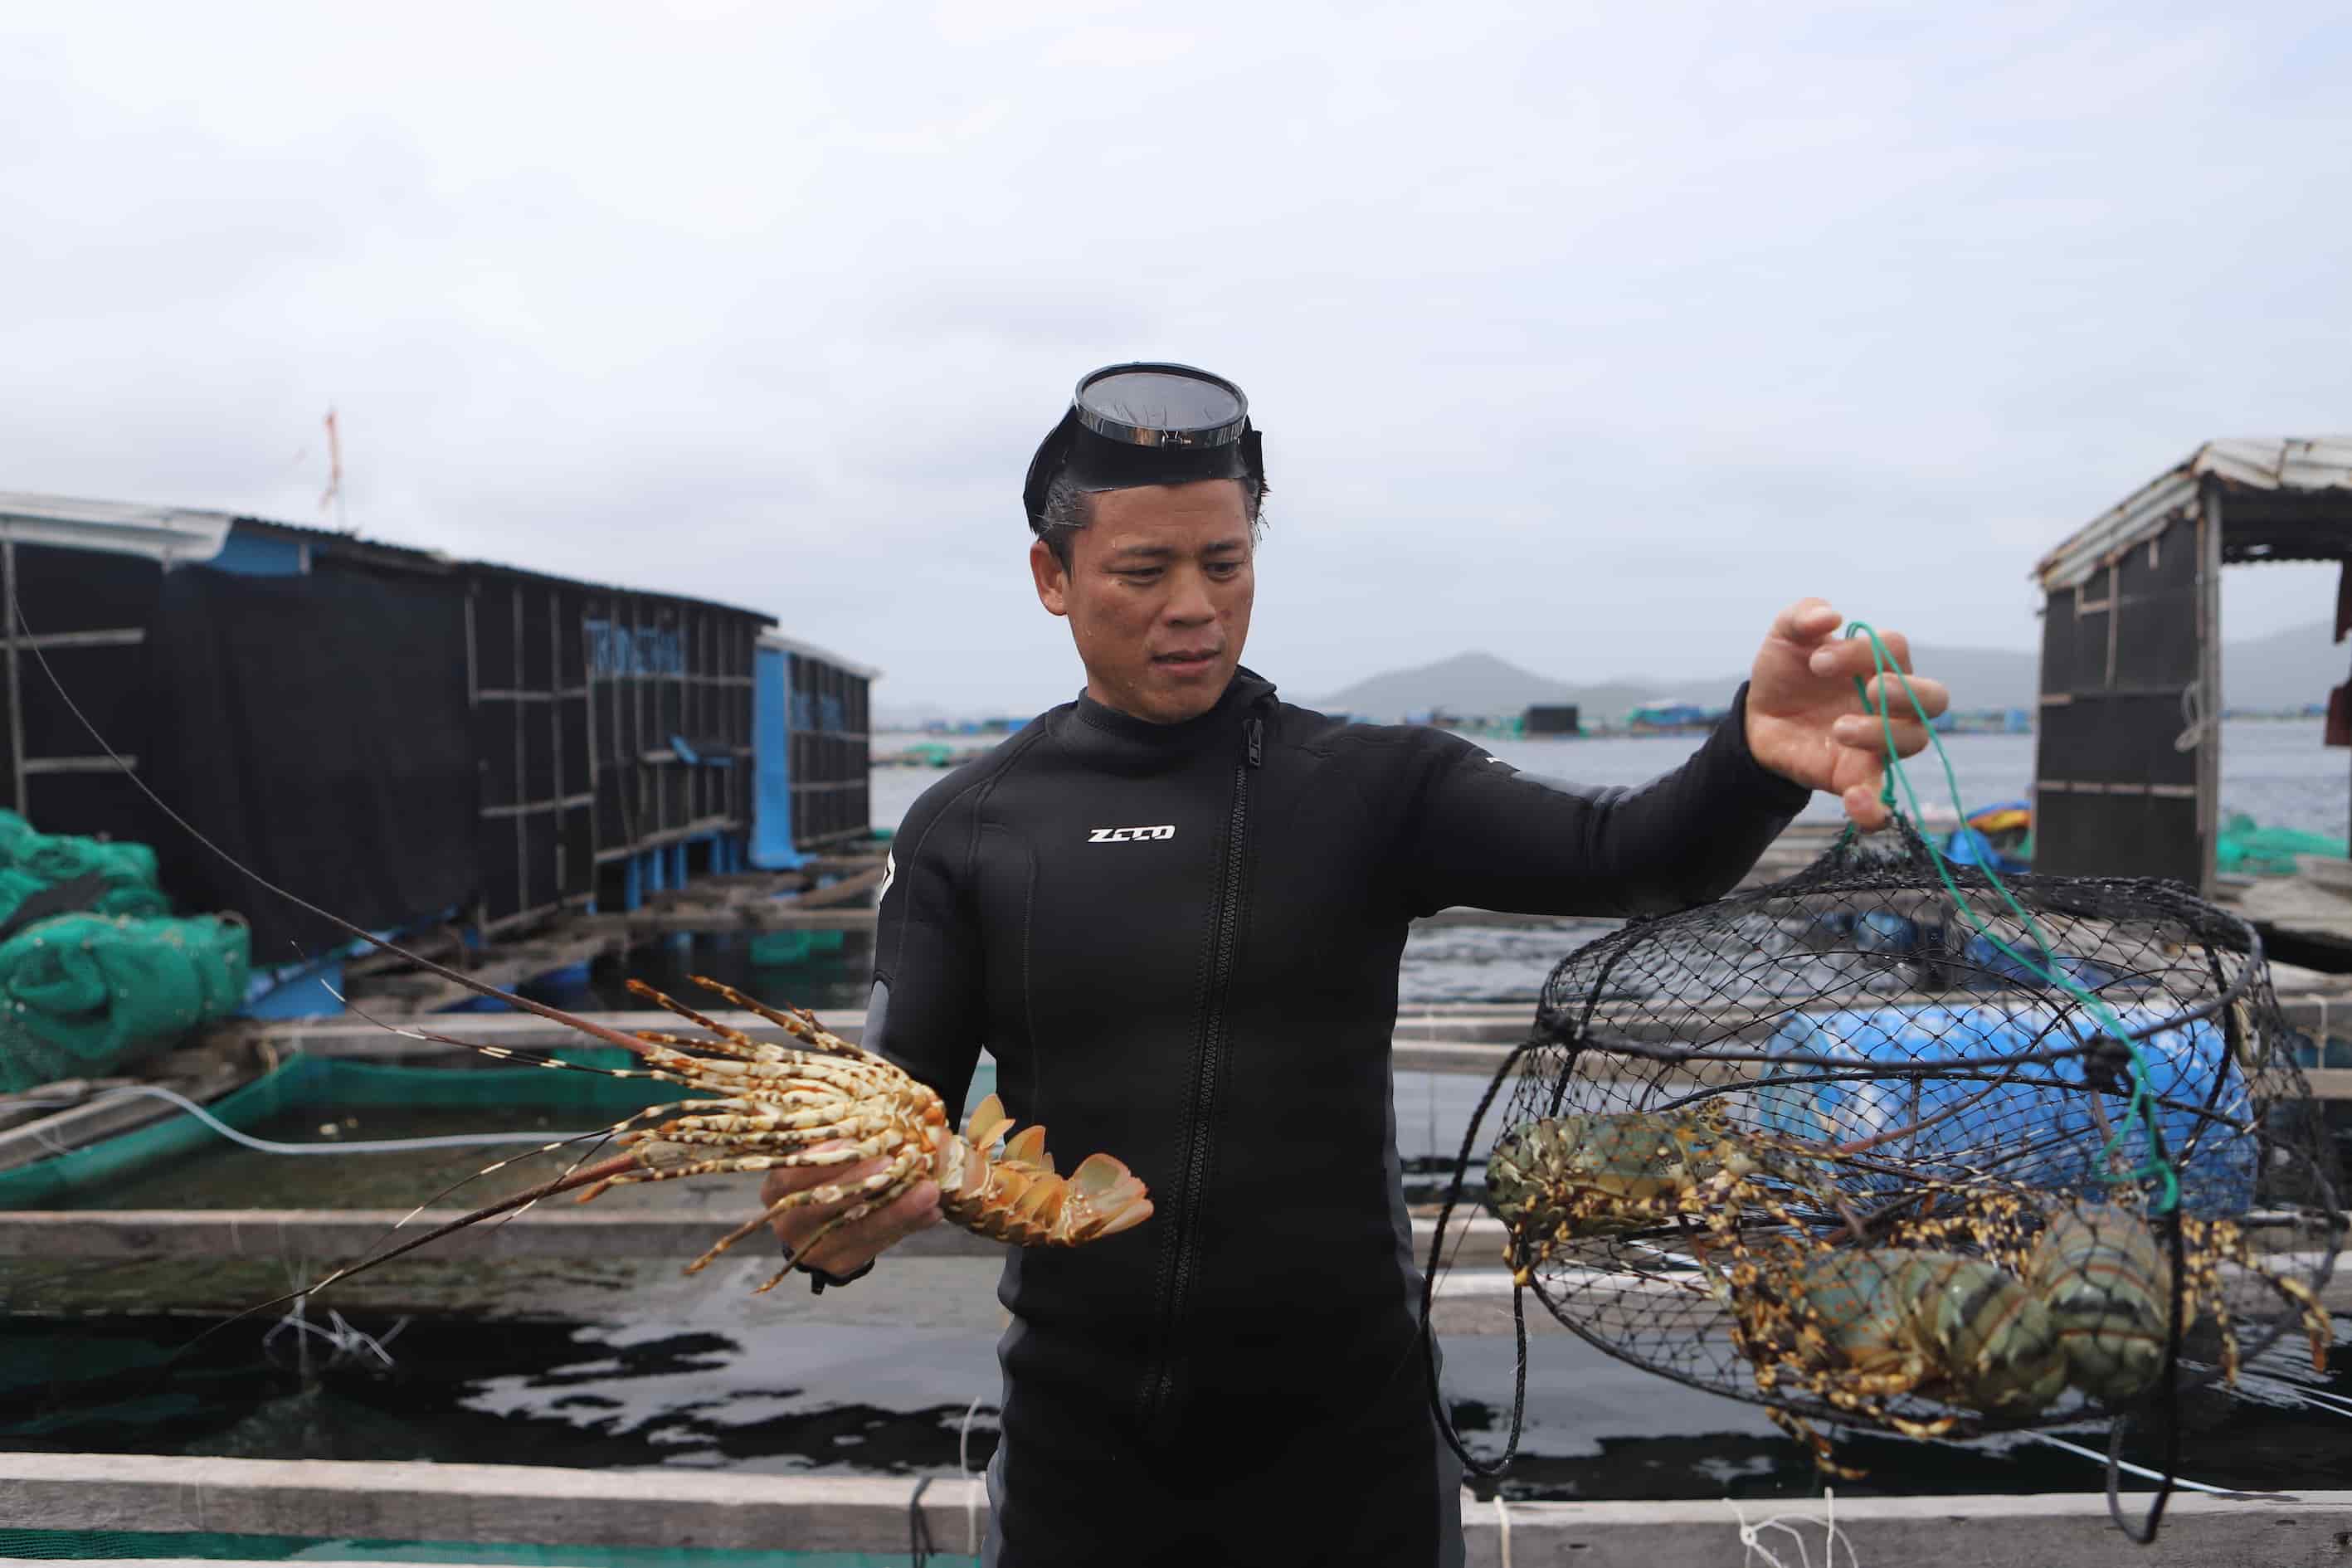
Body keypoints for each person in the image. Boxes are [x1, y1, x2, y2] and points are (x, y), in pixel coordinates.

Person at [763, 363, 1950, 1566]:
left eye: (1225, 565)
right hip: (1084, 1463)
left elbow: (1635, 858)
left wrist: (1753, 755)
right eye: (1143, 570)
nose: (1195, 606)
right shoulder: (969, 826)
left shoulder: (1374, 787)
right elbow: (888, 1116)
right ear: (1051, 578)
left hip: (1351, 1458)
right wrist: (834, 1225)